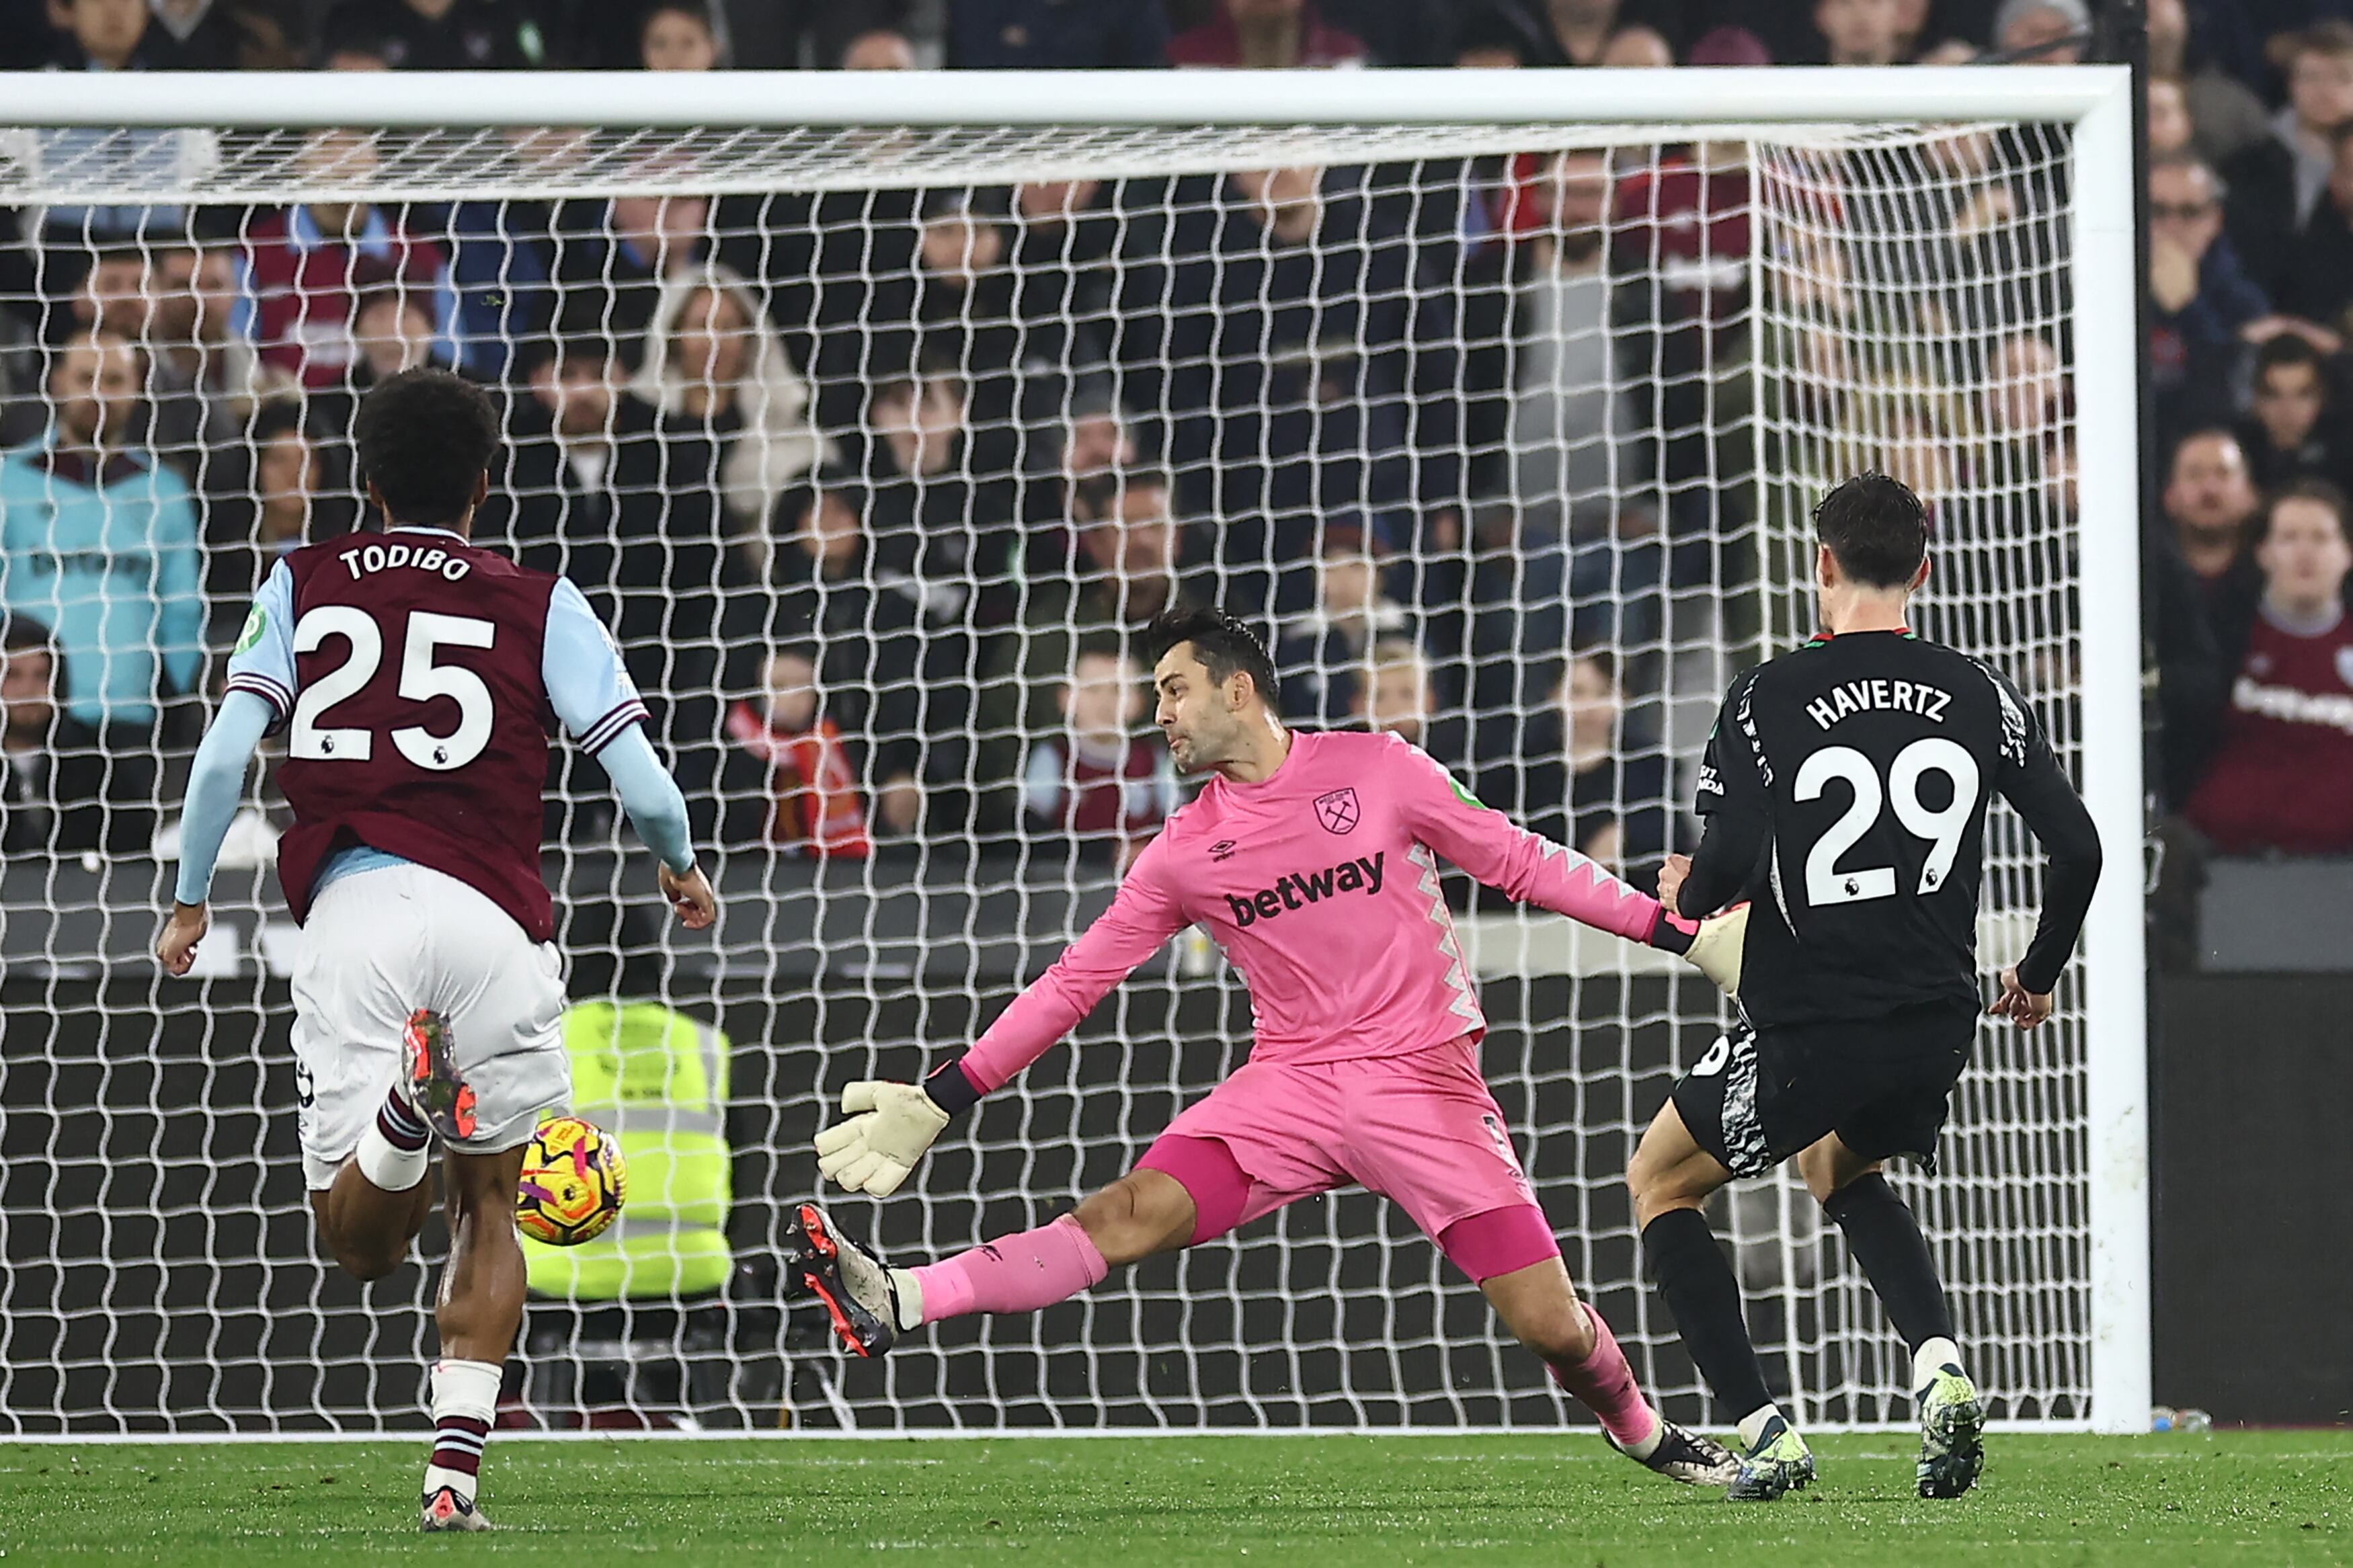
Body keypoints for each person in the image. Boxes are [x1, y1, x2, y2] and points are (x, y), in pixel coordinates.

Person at [785, 606, 1747, 1488]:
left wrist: (1678, 934)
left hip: (1423, 1083)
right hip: (1286, 1089)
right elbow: (1074, 981)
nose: (1155, 711)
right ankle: (903, 1296)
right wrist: (947, 1094)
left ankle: (1637, 1427)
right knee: (1122, 1212)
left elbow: (1522, 861)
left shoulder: (1379, 767)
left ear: (1235, 688)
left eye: (1171, 688)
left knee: (1553, 1327)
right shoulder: (1181, 851)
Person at [154, 368, 716, 1531]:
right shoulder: (538, 595)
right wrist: (679, 862)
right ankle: (451, 1480)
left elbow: (220, 761)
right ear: (486, 484)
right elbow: (642, 779)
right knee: (490, 1208)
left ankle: (406, 1113)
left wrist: (190, 897)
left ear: (361, 482)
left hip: (356, 911)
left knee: (359, 1245)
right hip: (495, 920)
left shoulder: (300, 579)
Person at [1624, 472, 2102, 1502]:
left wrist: (1686, 888)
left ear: (1823, 565)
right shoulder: (1979, 689)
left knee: (1660, 1181)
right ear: (1923, 572)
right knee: (1839, 1166)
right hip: (1937, 1016)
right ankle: (1938, 1366)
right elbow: (2079, 847)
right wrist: (2036, 971)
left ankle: (1765, 1435)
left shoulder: (1766, 694)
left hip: (1814, 1014)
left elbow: (1728, 863)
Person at [2184, 480, 2353, 856]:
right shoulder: (2220, 639)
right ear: (2263, 552)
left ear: (2347, 553)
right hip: (2224, 862)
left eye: (2321, 538)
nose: (2305, 553)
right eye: (2290, 538)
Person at [1019, 637, 1179, 866]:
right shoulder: (1054, 758)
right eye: (1092, 690)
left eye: (1117, 690)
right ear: (1066, 699)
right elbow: (1032, 835)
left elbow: (1182, 828)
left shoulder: (1154, 761)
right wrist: (1104, 853)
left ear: (1139, 702)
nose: (1105, 703)